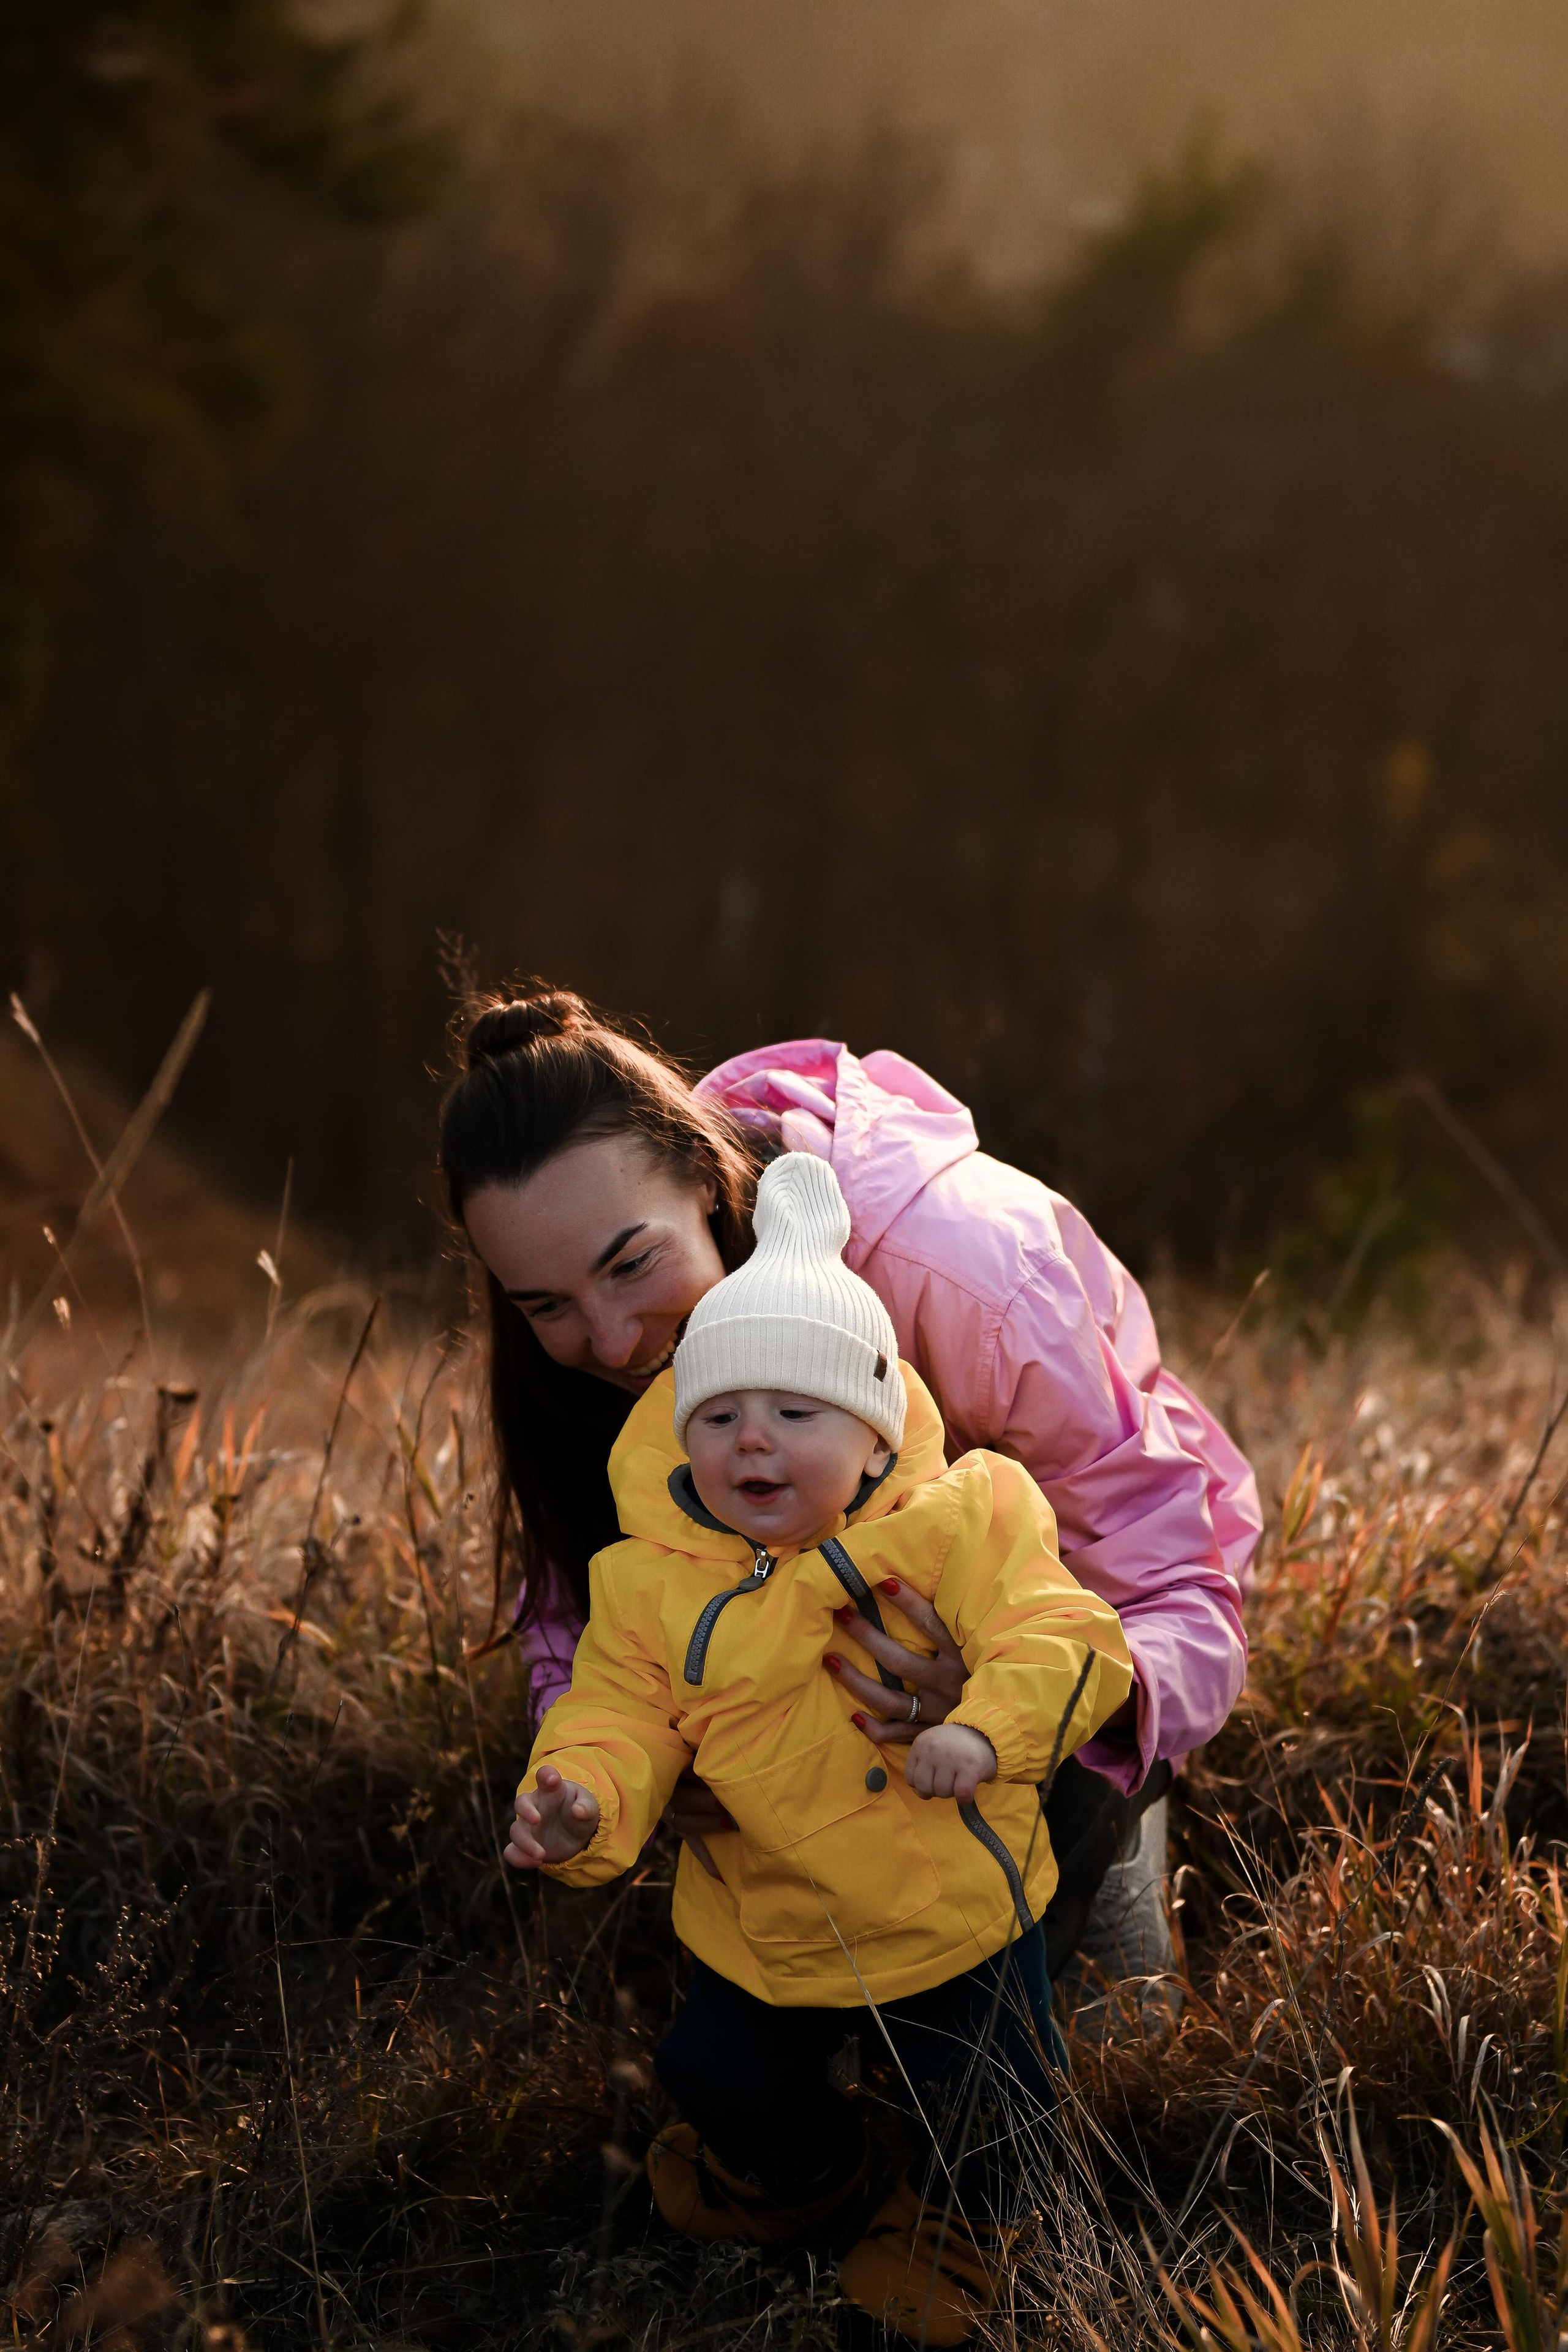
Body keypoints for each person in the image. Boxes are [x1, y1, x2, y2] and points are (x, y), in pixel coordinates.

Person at [437, 987, 1261, 1991]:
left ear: (704, 1176)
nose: (609, 1342)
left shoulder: (973, 1277)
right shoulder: (567, 1371)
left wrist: (1019, 1703)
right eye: (547, 1305)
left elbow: (1179, 1592)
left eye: (632, 1266)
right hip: (800, 1742)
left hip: (1059, 1651)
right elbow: (581, 1609)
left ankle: (1113, 1876)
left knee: (1084, 2037)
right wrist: (616, 1769)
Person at [504, 1151, 1134, 2342]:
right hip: (770, 1911)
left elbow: (1069, 1634)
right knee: (710, 2069)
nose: (754, 1444)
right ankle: (818, 2177)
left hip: (947, 1906)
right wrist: (580, 1793)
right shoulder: (649, 1581)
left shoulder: (958, 1522)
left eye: (795, 1414)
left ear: (869, 1432)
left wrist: (985, 1729)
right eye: (722, 1417)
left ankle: (976, 2221)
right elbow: (616, 1707)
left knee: (993, 2100)